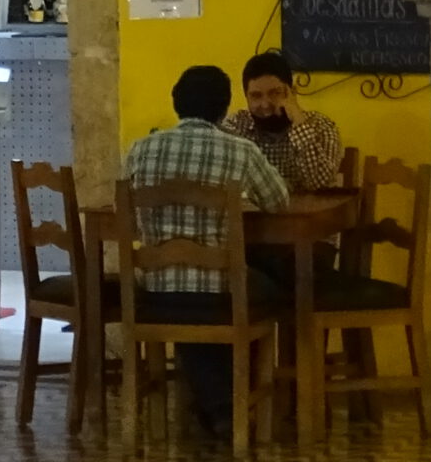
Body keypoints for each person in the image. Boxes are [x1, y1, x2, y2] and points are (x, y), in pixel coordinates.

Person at [122, 64, 290, 442]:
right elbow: (278, 201)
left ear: (176, 103)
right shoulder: (240, 150)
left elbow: (128, 217)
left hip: (156, 294)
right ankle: (233, 405)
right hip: (219, 295)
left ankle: (214, 405)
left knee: (190, 299)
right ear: (224, 108)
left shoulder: (140, 149)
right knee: (269, 291)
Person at [222, 49, 344, 193]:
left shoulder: (321, 127)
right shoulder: (234, 128)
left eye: (275, 93)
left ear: (292, 92)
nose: (265, 105)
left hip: (306, 209)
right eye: (256, 96)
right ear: (246, 97)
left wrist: (299, 123)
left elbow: (320, 185)